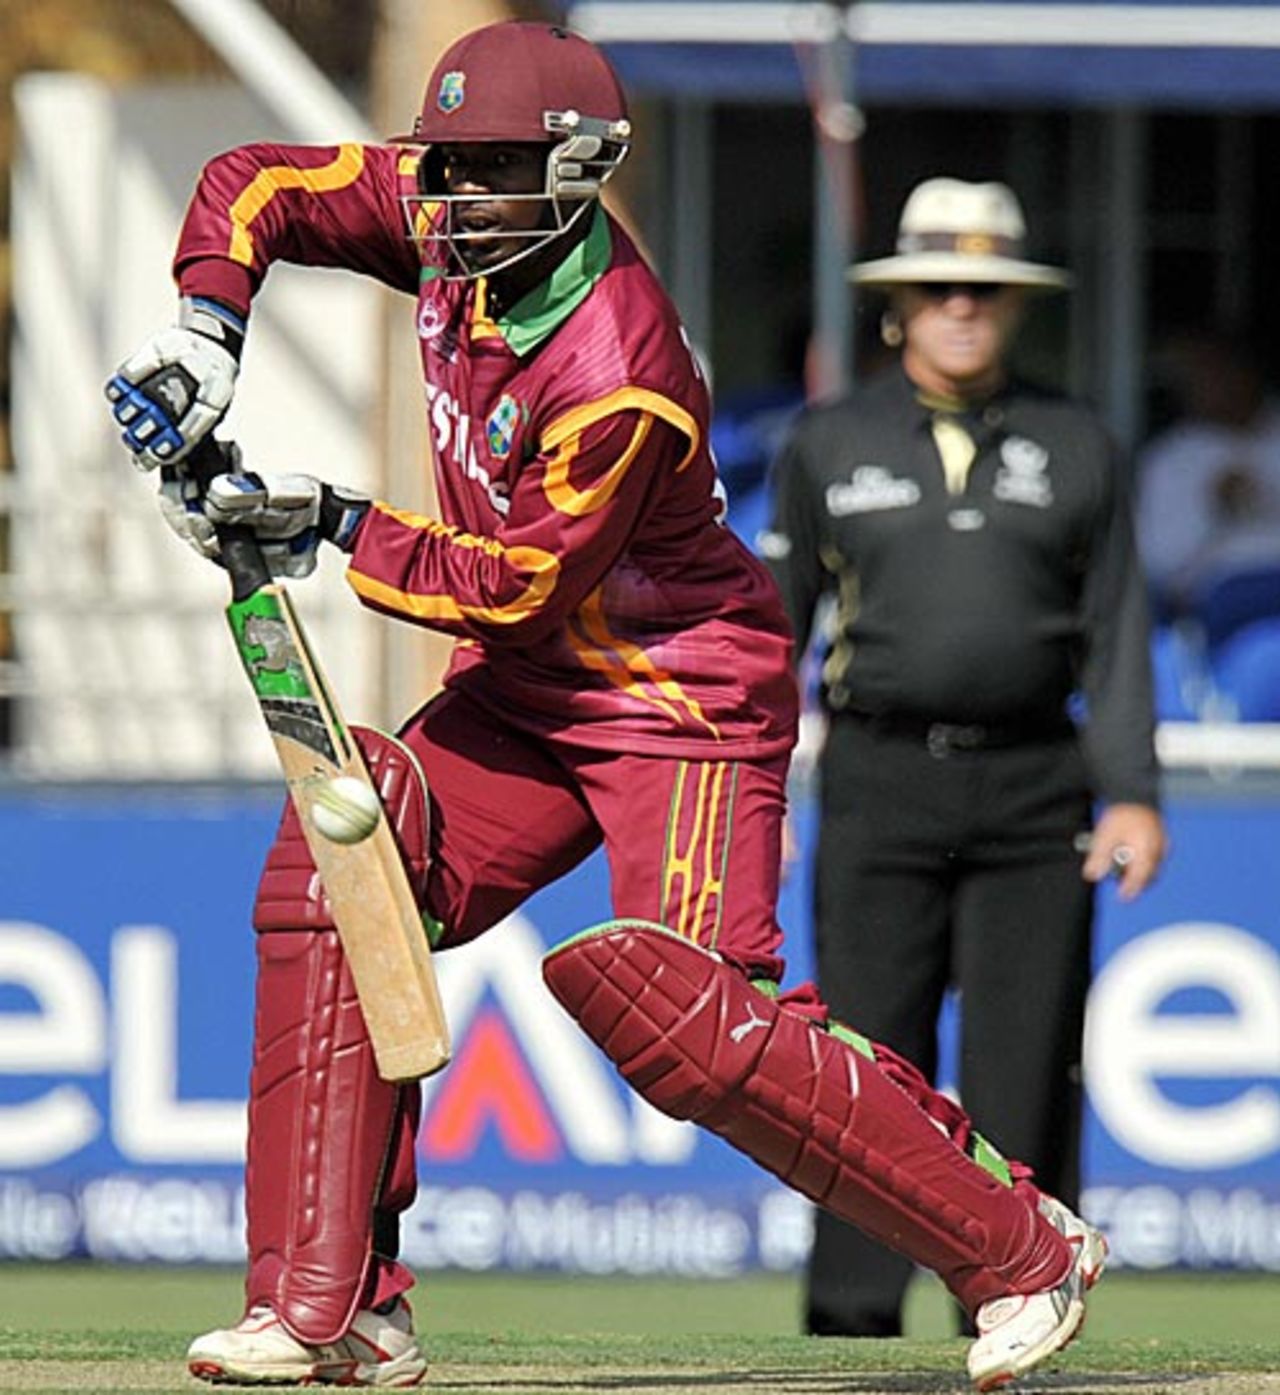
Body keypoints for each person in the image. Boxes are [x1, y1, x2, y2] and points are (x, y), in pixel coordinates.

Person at [107, 33, 1105, 1391]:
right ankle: (329, 1305)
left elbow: (516, 587)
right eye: (448, 162)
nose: (459, 194)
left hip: (672, 693)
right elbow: (254, 184)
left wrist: (327, 519)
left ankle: (1022, 1250)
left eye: (495, 168)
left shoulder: (614, 364)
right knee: (345, 865)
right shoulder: (448, 217)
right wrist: (206, 333)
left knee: (691, 1013)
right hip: (529, 695)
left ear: (580, 170)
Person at [760, 177, 1167, 1341]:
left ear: (1014, 305)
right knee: (857, 1069)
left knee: (1024, 1066)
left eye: (983, 290)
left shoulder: (1078, 443)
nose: (960, 308)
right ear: (895, 306)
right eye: (938, 287)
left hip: (1036, 785)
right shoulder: (825, 442)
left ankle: (1023, 1307)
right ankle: (847, 1326)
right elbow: (772, 634)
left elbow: (1115, 628)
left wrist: (1131, 792)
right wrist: (753, 788)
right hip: (876, 778)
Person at [1136, 329, 1280, 619]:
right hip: (1221, 600)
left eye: (1218, 371)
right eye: (1196, 377)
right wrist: (1214, 507)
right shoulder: (1170, 458)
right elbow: (1158, 563)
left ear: (1247, 372)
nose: (1205, 386)